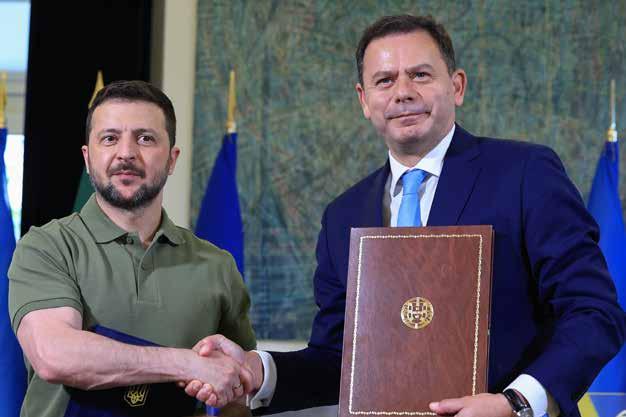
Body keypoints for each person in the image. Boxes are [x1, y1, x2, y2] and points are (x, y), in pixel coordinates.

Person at [186, 15, 625, 417]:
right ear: (364, 99)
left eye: (420, 75)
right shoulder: (343, 216)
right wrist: (257, 370)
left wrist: (516, 403)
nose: (402, 92)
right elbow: (337, 360)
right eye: (384, 80)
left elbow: (594, 311)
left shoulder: (525, 174)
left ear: (457, 86)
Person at [8, 80, 260, 417]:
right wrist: (188, 364)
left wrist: (229, 392)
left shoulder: (217, 265)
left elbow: (236, 390)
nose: (126, 153)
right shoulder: (47, 247)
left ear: (172, 159)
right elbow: (55, 356)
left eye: (145, 138)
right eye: (110, 138)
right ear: (87, 158)